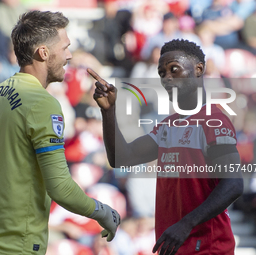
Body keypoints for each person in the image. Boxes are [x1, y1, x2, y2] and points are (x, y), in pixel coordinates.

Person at [0, 11, 120, 255]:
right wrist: (103, 212)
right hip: (18, 245)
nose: (69, 55)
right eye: (65, 47)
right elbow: (60, 187)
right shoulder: (41, 103)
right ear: (43, 53)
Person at [88, 39, 244, 255]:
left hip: (208, 247)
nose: (167, 78)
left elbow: (233, 184)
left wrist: (186, 224)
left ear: (199, 69)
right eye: (162, 73)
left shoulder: (214, 121)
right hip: (176, 246)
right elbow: (121, 158)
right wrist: (108, 111)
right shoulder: (168, 126)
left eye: (174, 69)